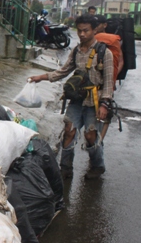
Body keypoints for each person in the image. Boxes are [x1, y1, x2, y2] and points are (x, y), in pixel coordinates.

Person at [29, 15, 114, 180]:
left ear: (94, 30)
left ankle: (97, 166)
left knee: (91, 136)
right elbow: (63, 71)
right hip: (77, 100)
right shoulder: (76, 51)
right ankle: (65, 169)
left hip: (95, 103)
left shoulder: (105, 53)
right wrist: (41, 77)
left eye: (86, 31)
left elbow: (109, 83)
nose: (82, 34)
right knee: (69, 131)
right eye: (80, 30)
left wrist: (104, 104)